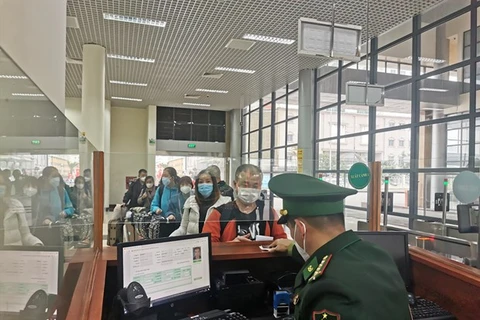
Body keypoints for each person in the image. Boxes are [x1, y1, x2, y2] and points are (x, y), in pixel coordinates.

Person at [267, 173, 411, 320]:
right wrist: (292, 248)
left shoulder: (325, 287)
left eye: (291, 229)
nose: (292, 235)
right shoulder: (378, 255)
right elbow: (332, 251)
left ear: (301, 228)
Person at [202, 164, 286, 242]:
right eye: (245, 185)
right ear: (235, 184)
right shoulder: (220, 213)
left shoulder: (267, 212)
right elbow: (208, 245)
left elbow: (281, 240)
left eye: (255, 186)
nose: (250, 189)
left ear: (260, 186)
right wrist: (230, 246)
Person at [171, 170, 230, 236]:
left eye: (208, 181)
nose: (204, 184)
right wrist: (169, 239)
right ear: (196, 185)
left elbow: (227, 231)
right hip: (193, 244)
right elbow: (183, 228)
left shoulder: (225, 203)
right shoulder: (190, 201)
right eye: (201, 182)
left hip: (214, 244)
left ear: (214, 184)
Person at [0, 174, 42, 246]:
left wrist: (36, 244)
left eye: (2, 184)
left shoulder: (16, 205)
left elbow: (25, 234)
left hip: (13, 254)